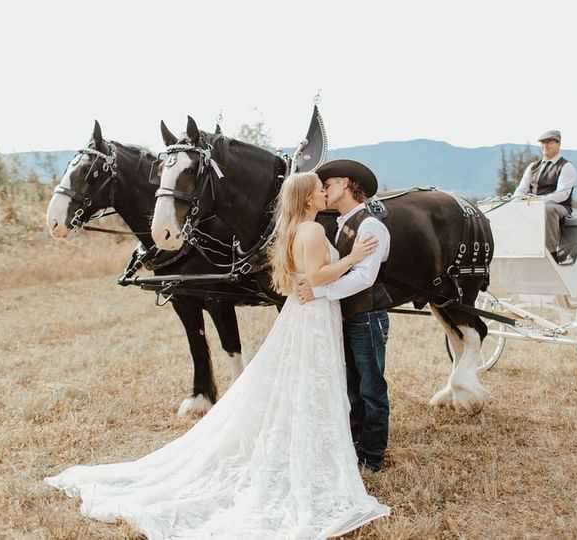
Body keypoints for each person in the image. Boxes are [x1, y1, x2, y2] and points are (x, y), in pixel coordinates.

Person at [44, 172, 390, 539]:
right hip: (314, 313)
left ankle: (317, 449)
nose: (324, 192)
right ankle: (322, 454)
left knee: (306, 381)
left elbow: (302, 279)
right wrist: (352, 256)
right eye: (319, 190)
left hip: (302, 312)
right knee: (314, 380)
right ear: (307, 199)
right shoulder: (314, 231)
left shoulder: (294, 229)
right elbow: (315, 278)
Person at [296, 159, 391, 472]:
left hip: (366, 316)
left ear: (349, 185)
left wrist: (319, 292)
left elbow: (365, 277)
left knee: (371, 387)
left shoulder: (370, 225)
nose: (325, 189)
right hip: (346, 316)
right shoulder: (338, 226)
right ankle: (354, 446)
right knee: (350, 385)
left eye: (331, 183)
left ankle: (373, 455)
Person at [512, 129, 577, 262]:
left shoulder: (566, 167)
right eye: (543, 142)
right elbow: (520, 190)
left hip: (560, 208)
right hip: (532, 205)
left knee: (547, 209)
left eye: (549, 142)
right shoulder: (533, 167)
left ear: (558, 144)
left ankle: (551, 253)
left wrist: (538, 201)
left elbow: (562, 195)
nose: (545, 145)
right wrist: (519, 199)